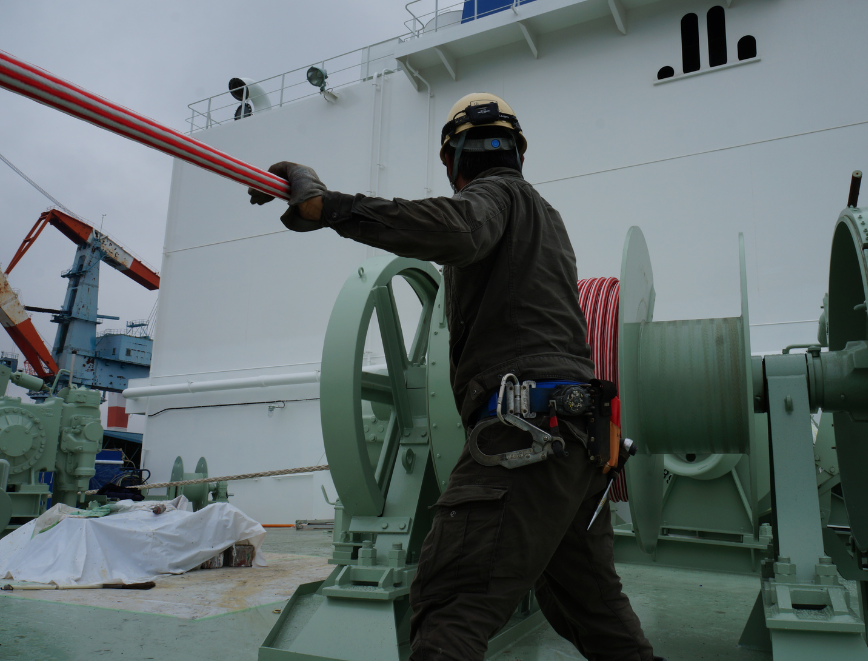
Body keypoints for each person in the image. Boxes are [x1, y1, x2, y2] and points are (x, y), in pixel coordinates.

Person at [249, 92, 660, 661]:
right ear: (518, 150)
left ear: (452, 162)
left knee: (452, 603)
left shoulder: (492, 197)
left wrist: (328, 207)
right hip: (581, 446)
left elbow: (462, 231)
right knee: (590, 609)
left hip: (525, 438)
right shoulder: (549, 219)